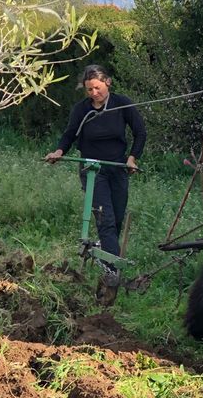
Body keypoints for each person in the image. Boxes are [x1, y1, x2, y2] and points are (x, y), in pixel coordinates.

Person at [45, 64, 146, 301]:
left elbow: (140, 132)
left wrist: (132, 158)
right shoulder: (82, 110)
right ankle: (113, 273)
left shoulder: (122, 103)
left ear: (107, 83)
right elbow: (70, 134)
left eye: (97, 88)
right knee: (106, 220)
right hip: (92, 170)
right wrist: (60, 151)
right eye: (89, 89)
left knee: (117, 219)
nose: (93, 93)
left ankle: (104, 252)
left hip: (118, 168)